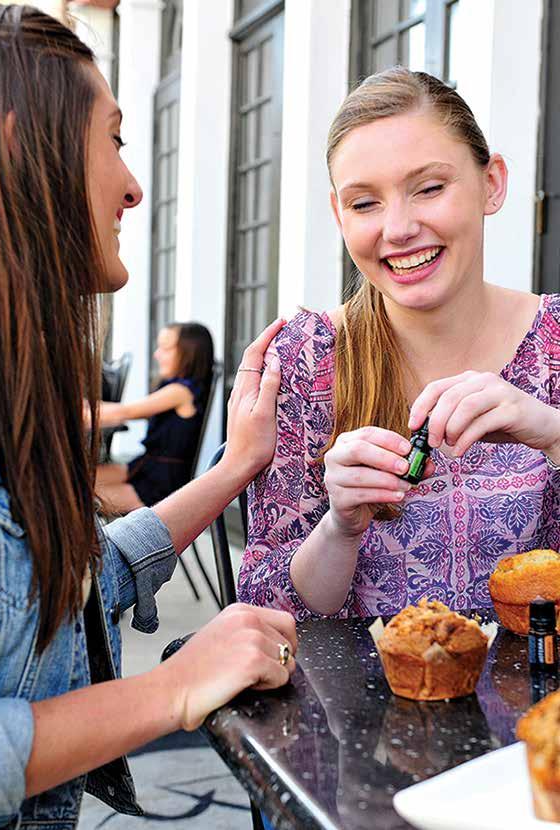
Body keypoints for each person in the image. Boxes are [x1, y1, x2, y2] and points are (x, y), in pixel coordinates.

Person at [0, 4, 297, 828]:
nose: (134, 184)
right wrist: (173, 688)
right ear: (16, 146)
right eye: (113, 138)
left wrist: (238, 464)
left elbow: (75, 584)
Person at [238, 66, 560, 620]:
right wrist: (339, 527)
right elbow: (266, 610)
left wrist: (553, 434)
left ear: (493, 183)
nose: (399, 228)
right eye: (365, 203)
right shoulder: (304, 358)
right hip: (358, 706)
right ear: (340, 215)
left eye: (429, 188)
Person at [94, 322, 214, 513]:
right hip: (145, 468)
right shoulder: (175, 387)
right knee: (77, 478)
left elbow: (125, 412)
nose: (156, 354)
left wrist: (78, 410)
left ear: (190, 353)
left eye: (165, 348)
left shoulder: (180, 391)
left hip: (159, 485)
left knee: (75, 495)